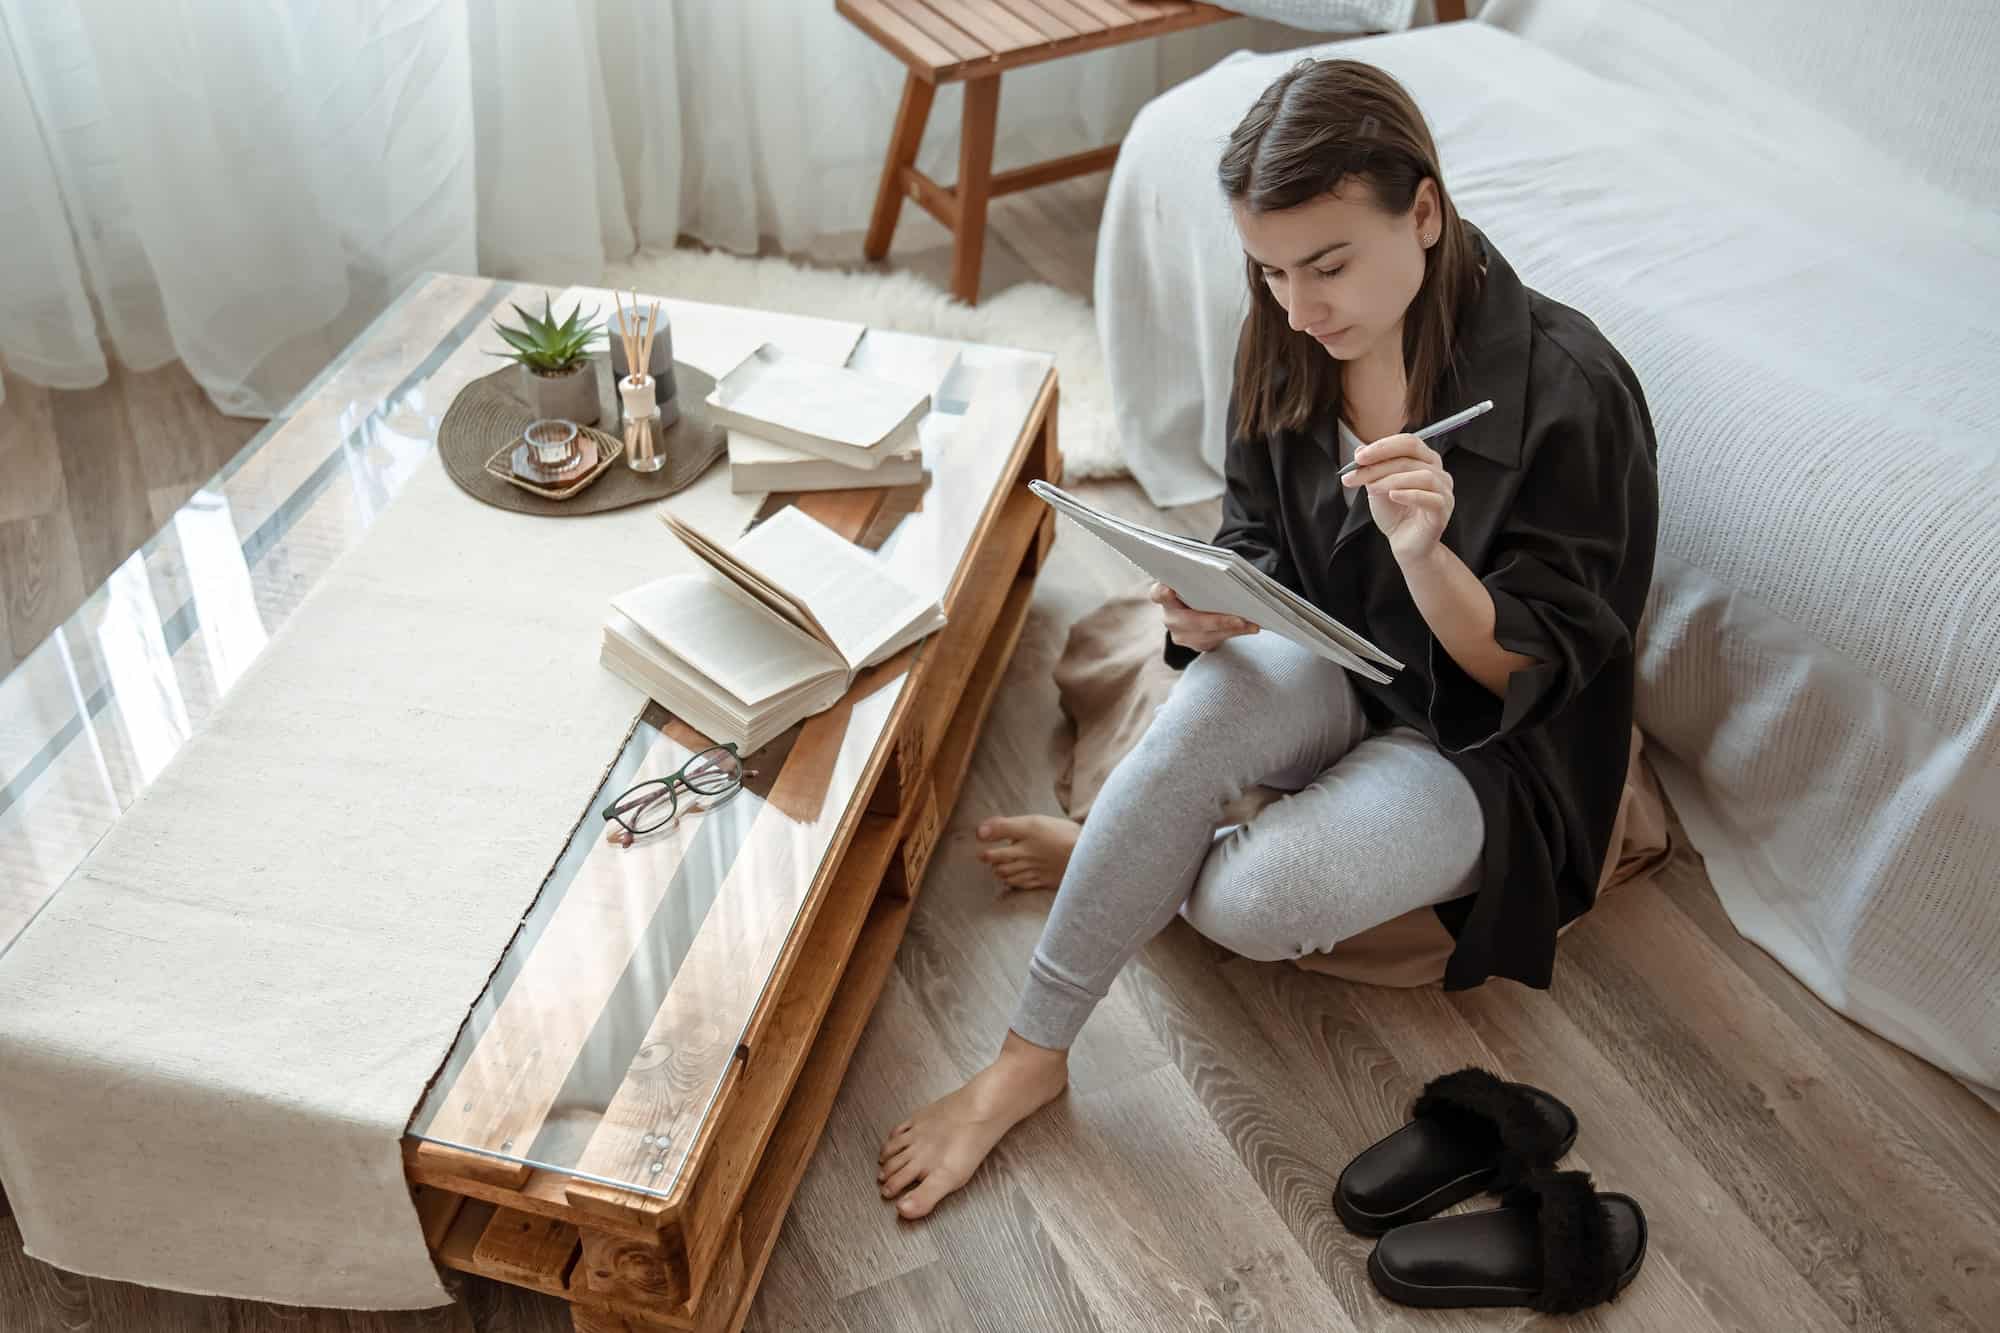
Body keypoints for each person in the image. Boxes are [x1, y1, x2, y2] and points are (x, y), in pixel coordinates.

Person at [876, 56, 1660, 1220]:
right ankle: (1028, 1054)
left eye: (1328, 263)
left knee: (1250, 906)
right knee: (1202, 711)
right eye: (1271, 269)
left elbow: (1532, 671)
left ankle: (1125, 852)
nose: (1299, 305)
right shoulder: (1285, 333)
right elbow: (1257, 531)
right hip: (1337, 657)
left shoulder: (1570, 391)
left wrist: (1427, 558)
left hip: (1481, 741)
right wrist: (1219, 602)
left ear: (1425, 212)